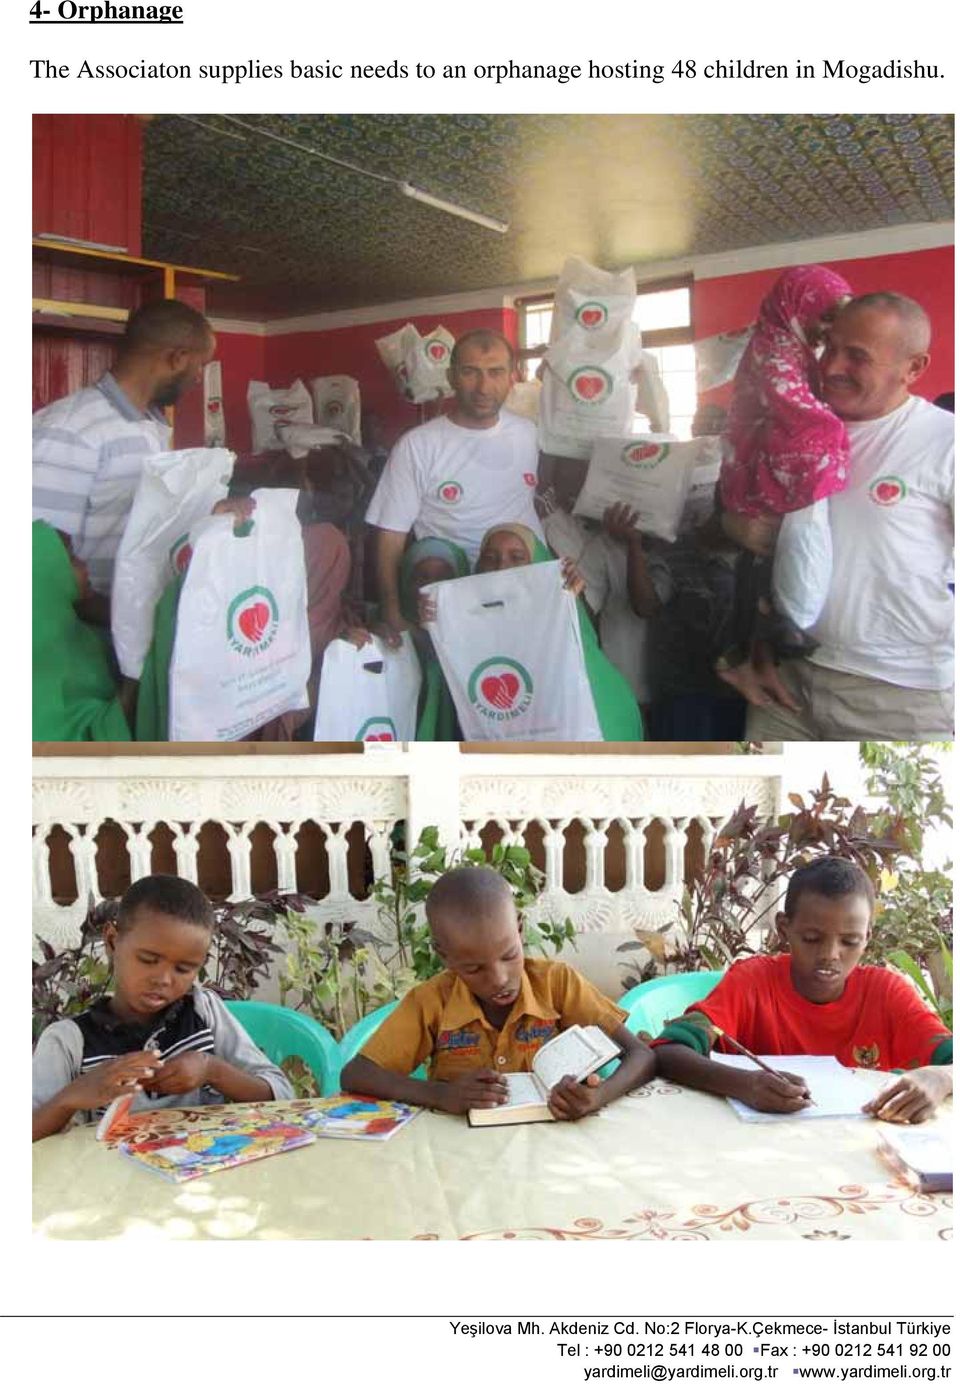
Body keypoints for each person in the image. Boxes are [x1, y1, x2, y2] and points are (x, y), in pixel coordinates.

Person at [739, 292, 954, 740]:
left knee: (893, 815)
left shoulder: (945, 442)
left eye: (857, 357)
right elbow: (732, 540)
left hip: (898, 697)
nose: (832, 367)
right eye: (828, 347)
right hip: (786, 681)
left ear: (913, 368)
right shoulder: (792, 431)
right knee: (763, 810)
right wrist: (734, 528)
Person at [340, 867, 655, 1119]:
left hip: (552, 1150)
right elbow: (357, 1075)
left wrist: (596, 1097)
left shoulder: (557, 983)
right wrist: (439, 1094)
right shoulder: (432, 1001)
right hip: (460, 1152)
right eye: (475, 969)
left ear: (519, 929)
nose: (500, 979)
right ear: (444, 955)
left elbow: (642, 1056)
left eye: (509, 956)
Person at [654, 857, 952, 1122]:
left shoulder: (886, 993)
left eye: (850, 941)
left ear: (867, 937)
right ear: (784, 929)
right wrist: (744, 1083)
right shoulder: (752, 983)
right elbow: (668, 1051)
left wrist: (940, 1077)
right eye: (811, 938)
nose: (831, 954)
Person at [32, 875, 293, 1141]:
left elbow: (281, 1094)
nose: (164, 979)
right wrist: (71, 1097)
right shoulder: (68, 1042)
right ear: (112, 941)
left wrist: (212, 1070)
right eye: (148, 960)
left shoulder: (204, 1010)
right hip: (110, 1181)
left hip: (203, 1173)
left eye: (184, 968)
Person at [716, 265, 853, 705]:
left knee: (761, 575)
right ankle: (757, 654)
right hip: (758, 470)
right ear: (798, 307)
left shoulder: (791, 347)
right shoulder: (774, 348)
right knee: (769, 568)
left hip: (765, 465)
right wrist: (833, 435)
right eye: (825, 316)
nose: (827, 329)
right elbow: (797, 410)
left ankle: (754, 666)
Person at [365, 330, 543, 645]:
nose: (484, 387)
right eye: (470, 372)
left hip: (528, 590)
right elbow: (390, 535)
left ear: (512, 377)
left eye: (495, 372)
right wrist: (392, 611)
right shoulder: (417, 446)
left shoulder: (528, 433)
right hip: (455, 600)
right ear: (451, 376)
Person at [33, 298, 216, 599]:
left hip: (136, 627)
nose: (199, 378)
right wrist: (102, 615)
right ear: (178, 358)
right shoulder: (69, 430)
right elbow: (35, 557)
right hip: (87, 635)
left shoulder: (149, 426)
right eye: (201, 365)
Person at [473, 523, 644, 741]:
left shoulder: (561, 605)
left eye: (516, 557)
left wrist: (569, 595)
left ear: (539, 563)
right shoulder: (471, 619)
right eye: (490, 557)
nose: (502, 567)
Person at [32, 521, 132, 742]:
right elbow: (98, 735)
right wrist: (139, 677)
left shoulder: (75, 630)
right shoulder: (45, 665)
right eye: (71, 559)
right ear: (46, 572)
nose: (83, 563)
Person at [398, 537, 469, 740]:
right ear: (405, 581)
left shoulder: (478, 637)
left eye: (444, 577)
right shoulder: (385, 628)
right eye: (422, 577)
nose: (433, 585)